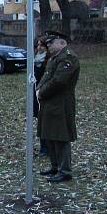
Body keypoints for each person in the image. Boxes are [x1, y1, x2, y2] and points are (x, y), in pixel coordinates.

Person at [37, 31, 80, 183]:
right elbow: (46, 77)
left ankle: (65, 170)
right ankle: (55, 166)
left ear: (62, 43)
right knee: (50, 135)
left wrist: (41, 92)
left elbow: (59, 81)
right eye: (47, 43)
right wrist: (39, 90)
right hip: (49, 101)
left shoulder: (68, 58)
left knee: (61, 137)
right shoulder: (54, 58)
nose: (48, 46)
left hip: (61, 102)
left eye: (51, 43)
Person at [33, 36, 49, 156]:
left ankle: (47, 148)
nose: (39, 48)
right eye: (38, 45)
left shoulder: (48, 60)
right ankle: (44, 147)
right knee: (40, 121)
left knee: (46, 121)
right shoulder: (35, 59)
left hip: (45, 93)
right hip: (36, 93)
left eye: (41, 45)